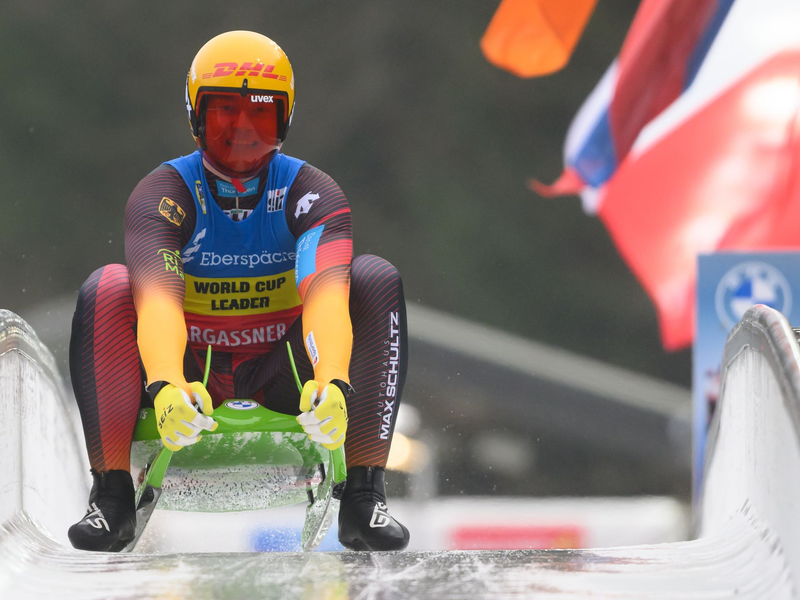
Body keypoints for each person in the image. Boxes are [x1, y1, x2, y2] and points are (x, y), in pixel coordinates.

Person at [67, 30, 409, 552]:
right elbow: (157, 301)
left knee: (374, 277)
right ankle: (110, 497)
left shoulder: (313, 193)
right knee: (109, 285)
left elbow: (325, 296)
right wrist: (165, 385)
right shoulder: (162, 194)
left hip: (283, 372)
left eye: (261, 115)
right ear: (195, 117)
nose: (244, 130)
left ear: (285, 119)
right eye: (226, 112)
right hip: (192, 374)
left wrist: (334, 381)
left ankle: (364, 496)